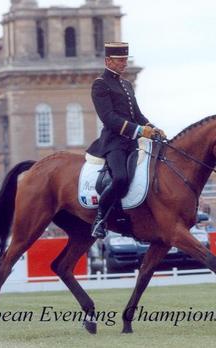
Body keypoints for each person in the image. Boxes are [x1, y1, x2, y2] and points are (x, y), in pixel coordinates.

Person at [86, 42, 166, 238]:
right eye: (120, 60)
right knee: (121, 178)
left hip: (132, 143)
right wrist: (140, 130)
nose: (124, 64)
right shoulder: (100, 84)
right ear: (108, 61)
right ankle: (100, 219)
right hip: (114, 143)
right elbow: (109, 118)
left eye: (125, 60)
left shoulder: (126, 85)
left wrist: (154, 129)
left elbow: (137, 115)